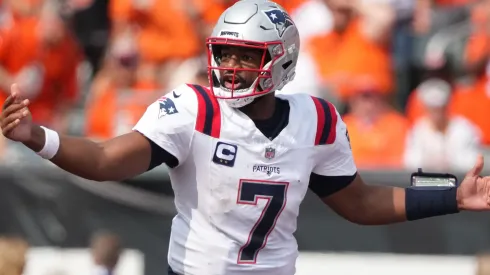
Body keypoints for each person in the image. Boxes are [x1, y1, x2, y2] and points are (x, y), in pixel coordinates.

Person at [1, 0, 490, 274]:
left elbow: (360, 203)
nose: (230, 67)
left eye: (246, 56)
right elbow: (108, 159)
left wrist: (450, 196)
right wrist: (36, 135)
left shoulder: (316, 119)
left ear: (281, 62)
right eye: (226, 53)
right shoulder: (195, 109)